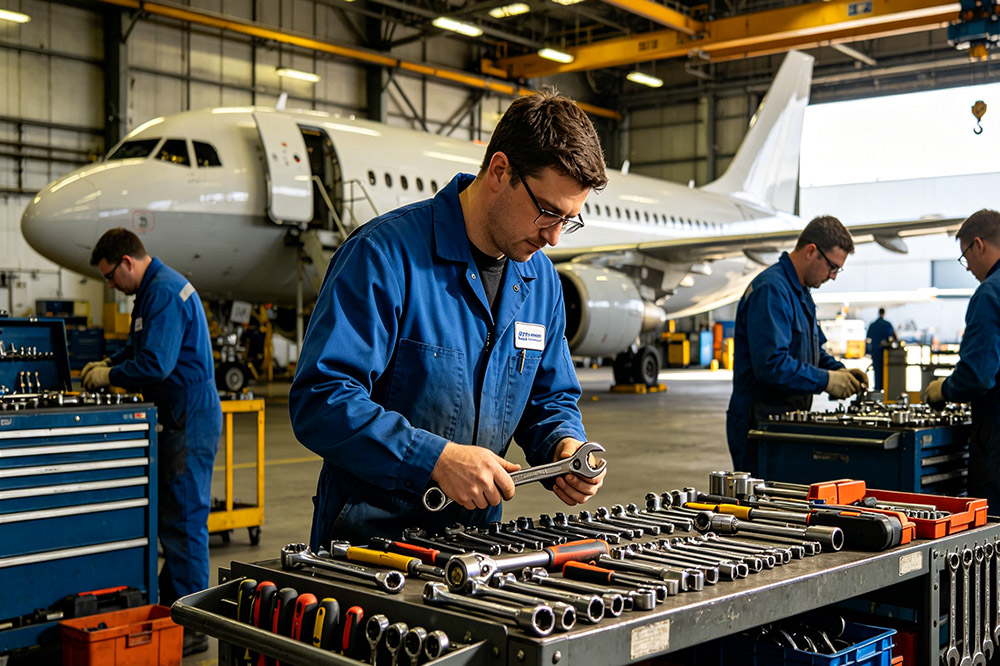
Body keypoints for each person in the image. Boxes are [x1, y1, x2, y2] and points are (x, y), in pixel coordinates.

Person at [289, 89, 608, 547]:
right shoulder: (384, 256)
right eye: (547, 212)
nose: (555, 237)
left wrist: (563, 446)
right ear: (500, 171)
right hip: (367, 547)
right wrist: (434, 458)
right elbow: (321, 399)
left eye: (569, 219)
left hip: (475, 547)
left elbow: (549, 398)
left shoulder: (541, 282)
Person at [82, 228, 221, 656]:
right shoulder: (153, 290)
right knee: (172, 520)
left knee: (183, 521)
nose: (111, 286)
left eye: (110, 277)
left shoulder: (162, 291)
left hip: (188, 418)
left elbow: (157, 364)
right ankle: (173, 607)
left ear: (126, 262)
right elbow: (141, 348)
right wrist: (111, 361)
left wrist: (112, 376)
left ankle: (194, 624)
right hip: (177, 417)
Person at [726, 216, 868, 473]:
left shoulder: (800, 293)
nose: (834, 276)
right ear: (811, 251)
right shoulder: (771, 291)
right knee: (761, 508)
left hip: (783, 423)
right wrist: (826, 381)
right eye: (832, 267)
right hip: (758, 426)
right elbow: (772, 365)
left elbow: (814, 353)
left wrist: (840, 371)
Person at [924, 209, 1000, 512]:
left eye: (965, 256)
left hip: (996, 439)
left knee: (990, 539)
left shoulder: (989, 294)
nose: (968, 268)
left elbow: (978, 375)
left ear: (978, 245)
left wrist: (944, 390)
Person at [866, 308, 897, 391]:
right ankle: (885, 388)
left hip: (875, 352)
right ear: (884, 313)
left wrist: (868, 352)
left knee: (877, 371)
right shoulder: (887, 324)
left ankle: (877, 388)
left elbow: (868, 339)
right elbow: (892, 337)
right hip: (885, 352)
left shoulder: (873, 325)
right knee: (885, 371)